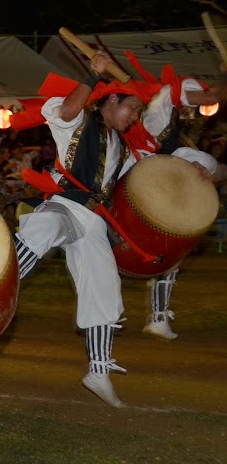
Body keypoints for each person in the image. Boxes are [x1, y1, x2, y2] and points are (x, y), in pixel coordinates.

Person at [12, 50, 153, 408]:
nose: (135, 117)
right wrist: (92, 75)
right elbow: (65, 111)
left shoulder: (122, 148)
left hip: (93, 222)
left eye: (139, 113)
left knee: (105, 288)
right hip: (66, 203)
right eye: (132, 108)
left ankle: (99, 370)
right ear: (114, 98)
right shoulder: (81, 120)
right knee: (43, 227)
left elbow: (150, 174)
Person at [119, 60, 227, 340]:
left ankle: (158, 318)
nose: (196, 105)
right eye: (192, 98)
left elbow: (203, 164)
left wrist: (201, 170)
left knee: (170, 252)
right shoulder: (165, 98)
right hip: (134, 173)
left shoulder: (173, 130)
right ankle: (106, 309)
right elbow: (212, 96)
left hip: (158, 176)